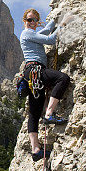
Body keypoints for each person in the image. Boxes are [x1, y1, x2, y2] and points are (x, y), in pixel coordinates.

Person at [19, 8, 71, 161]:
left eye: (35, 20)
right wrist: (63, 24)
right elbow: (50, 39)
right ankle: (49, 114)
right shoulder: (27, 33)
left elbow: (47, 30)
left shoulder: (32, 34)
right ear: (24, 21)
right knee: (63, 78)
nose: (33, 22)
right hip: (35, 70)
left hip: (31, 74)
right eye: (29, 20)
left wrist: (56, 18)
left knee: (34, 112)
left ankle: (36, 150)